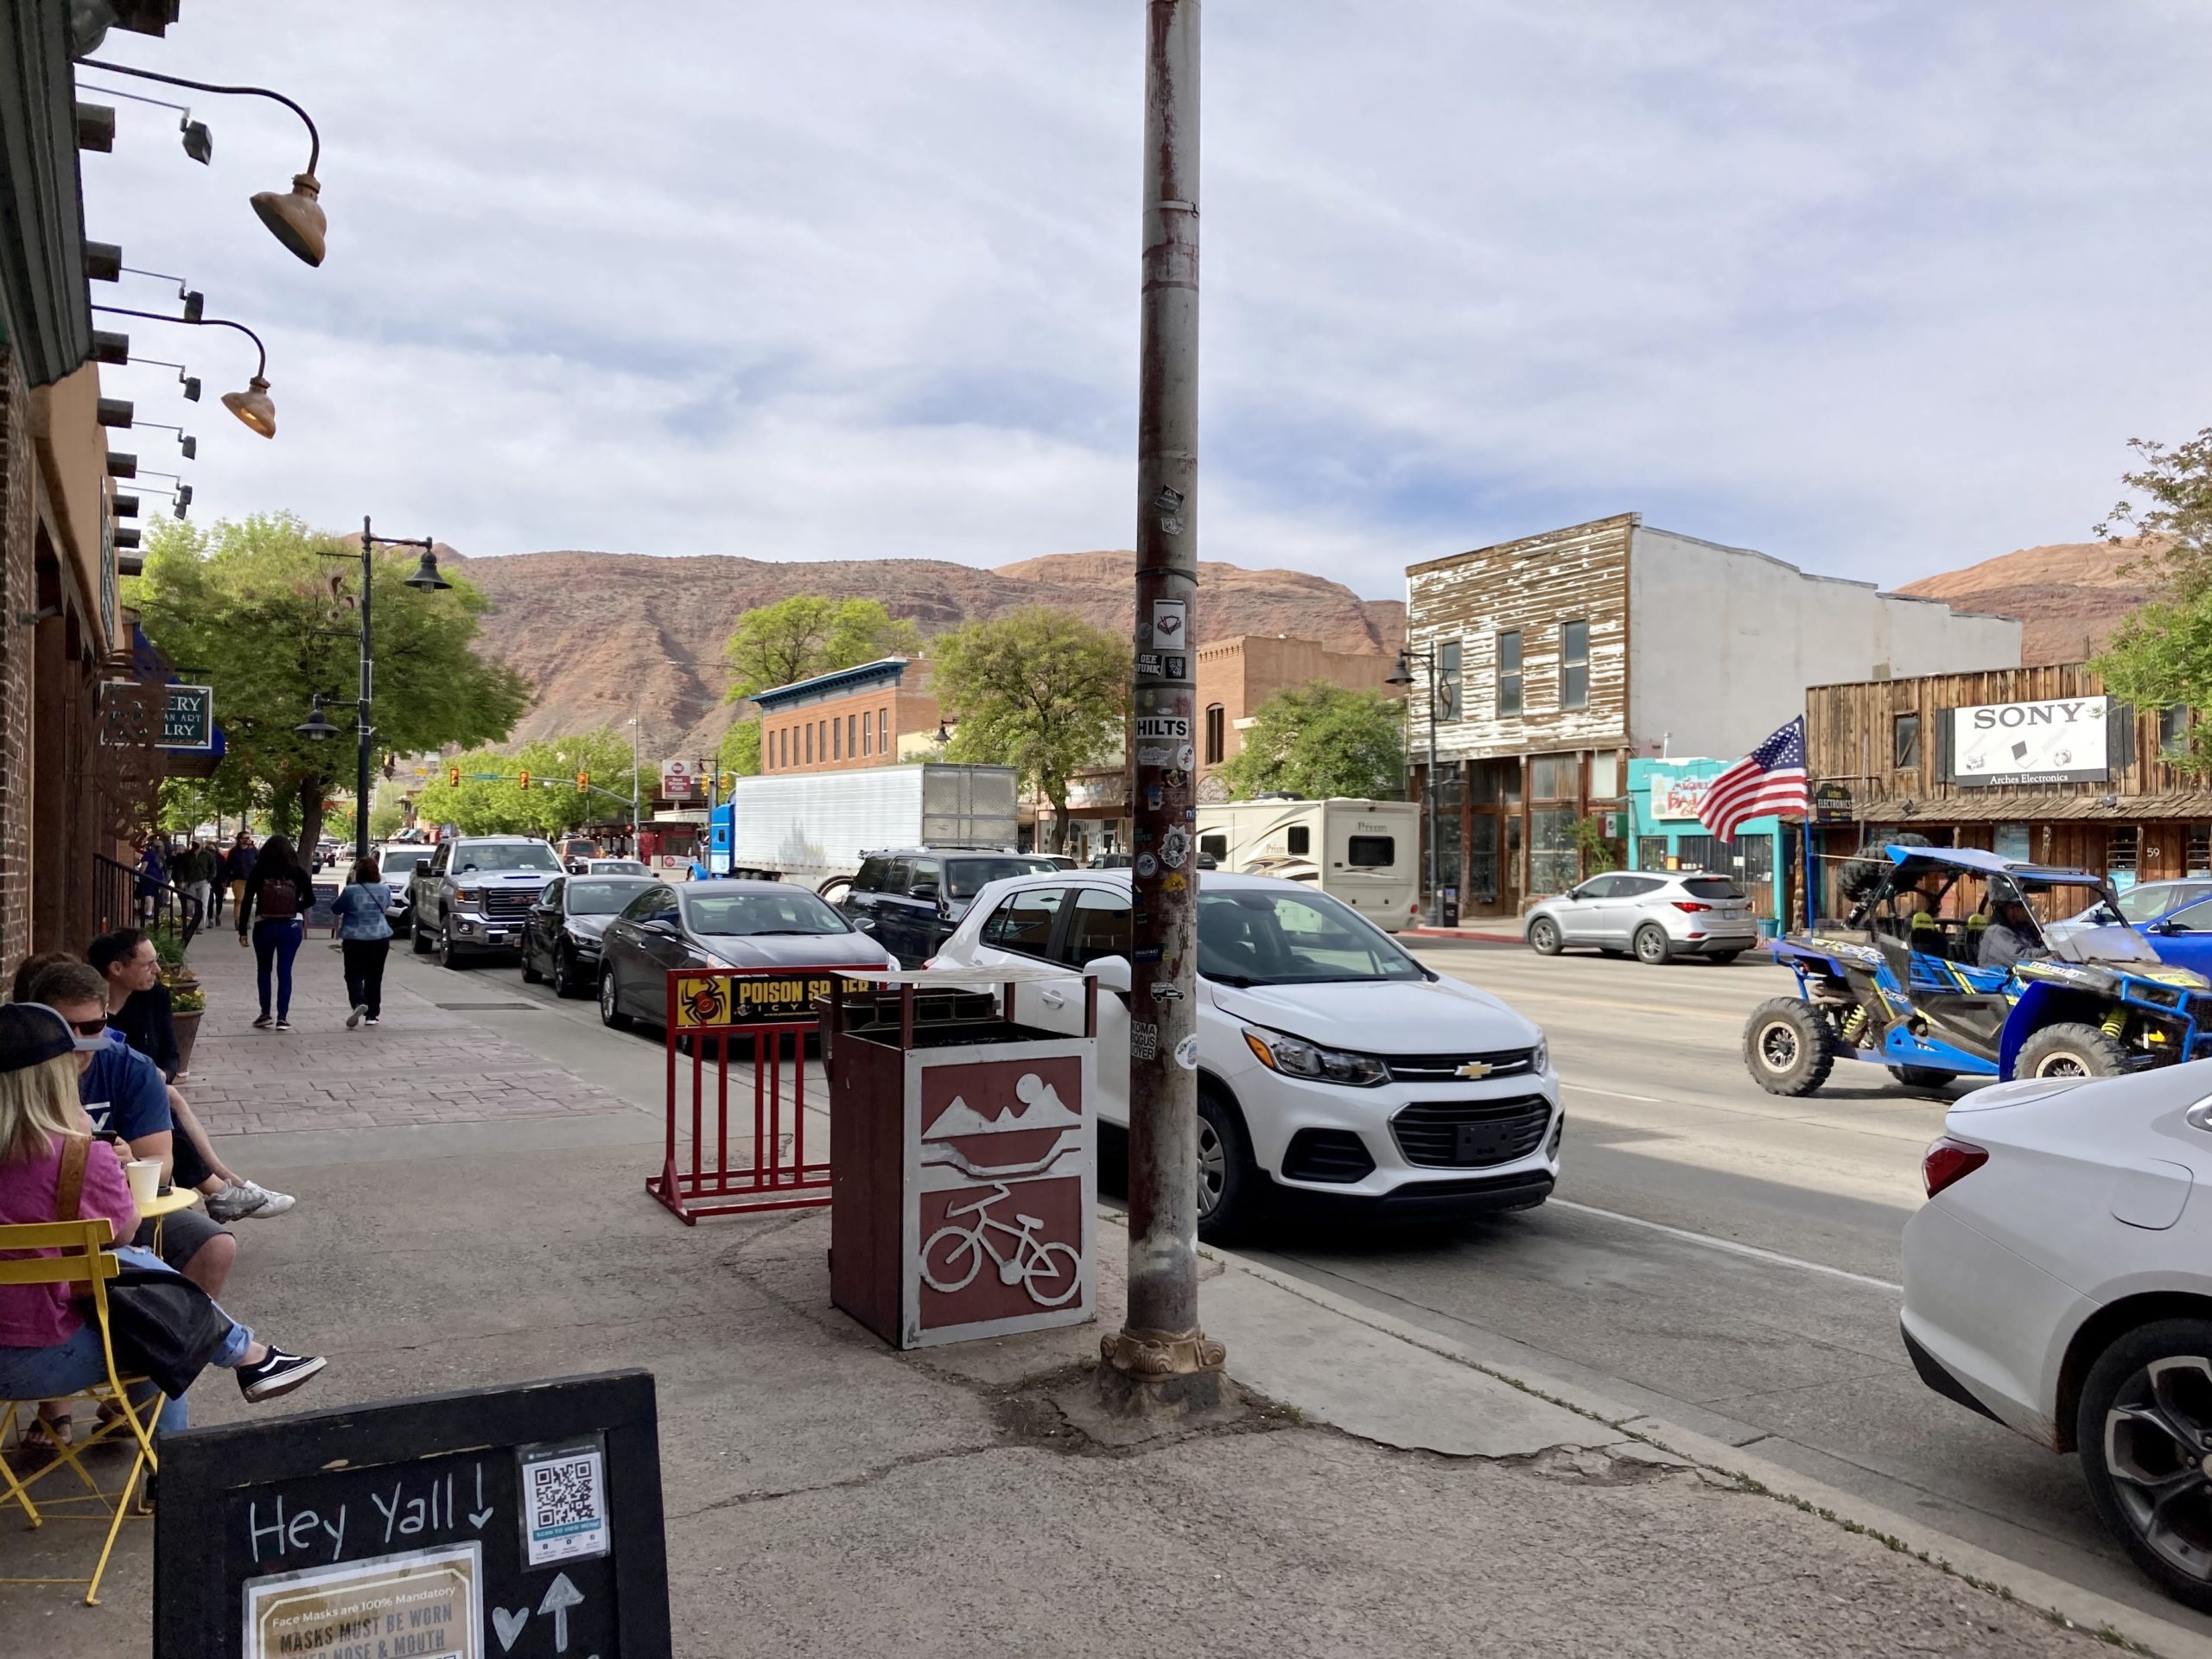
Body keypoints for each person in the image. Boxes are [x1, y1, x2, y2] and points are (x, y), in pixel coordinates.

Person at [0, 1001, 324, 1466]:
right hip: (37, 1358)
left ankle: (248, 1356)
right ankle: (174, 1471)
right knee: (160, 1330)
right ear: (54, 1078)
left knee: (145, 1296)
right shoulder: (79, 1159)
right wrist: (87, 1140)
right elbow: (127, 1231)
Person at [30, 961, 241, 1296]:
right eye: (66, 1029)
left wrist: (127, 1161)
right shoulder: (17, 1068)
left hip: (113, 1206)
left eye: (93, 1027)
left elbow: (158, 1165)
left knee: (213, 1244)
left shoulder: (129, 1067)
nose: (78, 1042)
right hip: (29, 1210)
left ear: (106, 1019)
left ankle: (188, 1344)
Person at [82, 931, 296, 1222]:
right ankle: (225, 1187)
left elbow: (172, 1056)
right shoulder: (88, 1017)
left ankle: (225, 1188)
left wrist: (161, 1074)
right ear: (116, 969)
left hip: (145, 1093)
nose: (158, 970)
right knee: (169, 1101)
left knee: (165, 1097)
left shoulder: (155, 997)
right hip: (107, 1096)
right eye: (148, 965)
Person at [235, 834, 313, 1031]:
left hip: (265, 924)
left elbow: (246, 901)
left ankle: (265, 1013)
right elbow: (311, 900)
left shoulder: (259, 871)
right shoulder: (297, 872)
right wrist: (295, 905)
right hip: (291, 926)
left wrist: (243, 929)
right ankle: (283, 1017)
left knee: (264, 970)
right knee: (285, 971)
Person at [330, 855, 393, 1028]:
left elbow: (335, 908)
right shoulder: (384, 890)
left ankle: (359, 1002)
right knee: (375, 976)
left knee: (353, 974)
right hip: (380, 938)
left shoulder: (351, 891)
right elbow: (387, 906)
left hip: (355, 939)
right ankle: (372, 1015)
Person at [1978, 896, 2041, 973]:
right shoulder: (1996, 932)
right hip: (1998, 981)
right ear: (2010, 910)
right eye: (2024, 907)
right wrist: (2048, 951)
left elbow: (2037, 945)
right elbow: (2021, 959)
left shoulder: (2022, 927)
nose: (2028, 911)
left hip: (2020, 978)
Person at [223, 832, 257, 925]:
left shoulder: (253, 850)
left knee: (248, 900)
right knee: (239, 900)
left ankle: (246, 920)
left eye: (248, 838)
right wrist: (226, 881)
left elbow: (259, 863)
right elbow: (228, 866)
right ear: (240, 839)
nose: (247, 840)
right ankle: (238, 920)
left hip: (250, 879)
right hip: (238, 879)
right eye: (245, 838)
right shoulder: (234, 851)